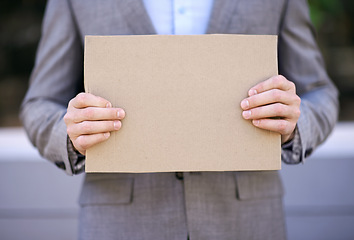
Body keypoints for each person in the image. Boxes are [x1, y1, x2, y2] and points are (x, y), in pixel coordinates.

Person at [20, 0, 338, 239]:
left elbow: (320, 92)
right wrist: (69, 130)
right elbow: (39, 104)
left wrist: (294, 122)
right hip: (120, 224)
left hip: (246, 221)